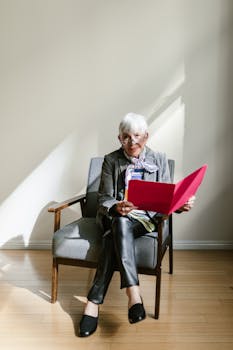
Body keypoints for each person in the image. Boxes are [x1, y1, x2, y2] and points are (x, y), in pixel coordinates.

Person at [79, 112, 195, 337]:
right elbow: (103, 198)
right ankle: (134, 295)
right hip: (117, 217)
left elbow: (167, 198)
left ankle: (93, 304)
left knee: (114, 234)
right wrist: (116, 206)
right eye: (126, 137)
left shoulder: (159, 159)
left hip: (147, 220)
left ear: (146, 136)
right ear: (119, 138)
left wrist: (181, 205)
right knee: (119, 224)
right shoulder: (111, 160)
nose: (132, 141)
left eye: (137, 135)